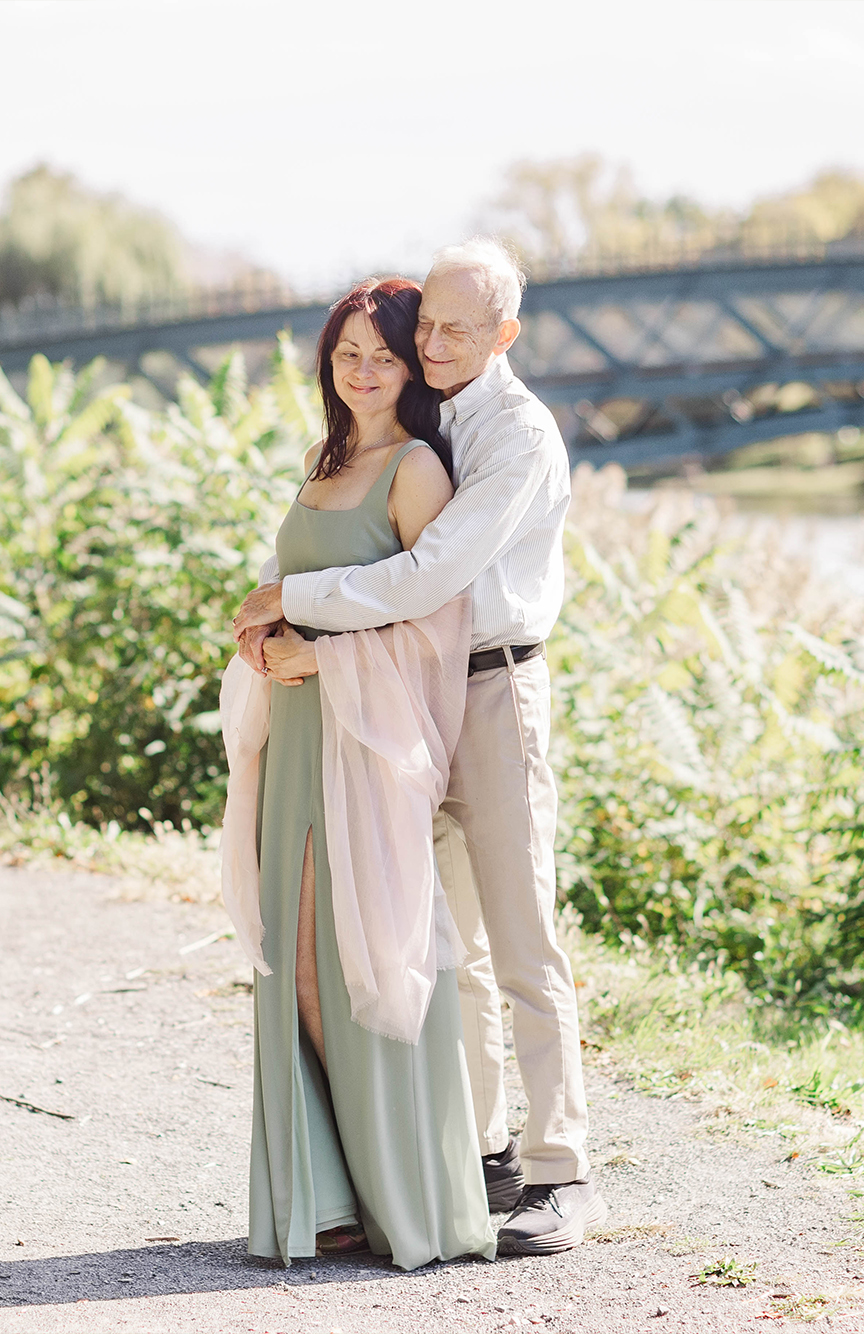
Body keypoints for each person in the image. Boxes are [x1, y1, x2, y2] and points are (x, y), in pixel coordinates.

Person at [233, 238, 605, 1256]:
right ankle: (480, 1152)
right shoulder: (430, 412)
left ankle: (561, 1171)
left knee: (523, 935)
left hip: (492, 689)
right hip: (410, 696)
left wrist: (293, 602)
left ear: (504, 334)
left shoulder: (520, 435)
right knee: (445, 940)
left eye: (455, 329)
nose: (431, 343)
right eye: (425, 324)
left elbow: (429, 572)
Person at [220, 276, 494, 1270]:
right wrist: (267, 638)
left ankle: (406, 1196)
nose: (365, 370)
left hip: (363, 741)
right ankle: (327, 1191)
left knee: (368, 956)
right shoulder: (319, 459)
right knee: (291, 958)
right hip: (293, 733)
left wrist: (324, 655)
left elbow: (433, 619)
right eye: (348, 354)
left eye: (384, 353)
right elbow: (319, 587)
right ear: (327, 364)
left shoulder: (415, 468)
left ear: (409, 365)